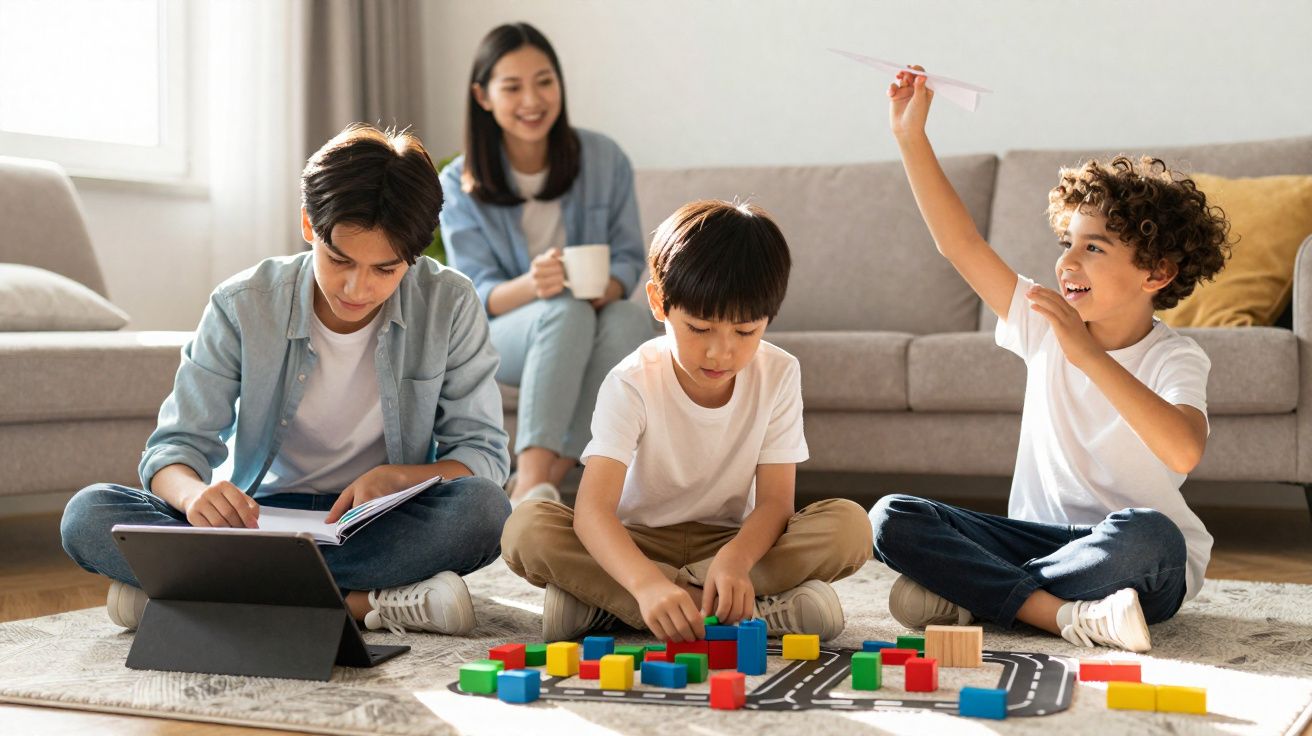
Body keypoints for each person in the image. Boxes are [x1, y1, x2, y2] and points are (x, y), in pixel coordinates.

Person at [61, 124, 512, 636]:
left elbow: (483, 458)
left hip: (377, 524)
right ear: (307, 224)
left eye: (384, 270)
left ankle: (198, 594)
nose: (357, 288)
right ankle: (360, 604)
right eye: (339, 259)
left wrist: (398, 478)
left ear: (413, 254)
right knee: (88, 514)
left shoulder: (449, 303)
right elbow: (173, 451)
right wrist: (194, 497)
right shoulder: (242, 304)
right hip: (255, 525)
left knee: (484, 512)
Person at [869, 67, 1231, 651]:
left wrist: (1087, 355)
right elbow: (960, 243)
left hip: (1129, 558)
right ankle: (1058, 614)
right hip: (1033, 540)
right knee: (891, 516)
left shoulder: (1175, 357)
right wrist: (910, 136)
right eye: (1068, 243)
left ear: (1156, 273)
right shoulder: (1041, 320)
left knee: (1152, 536)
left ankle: (977, 595)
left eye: (1094, 248)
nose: (1068, 263)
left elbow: (1183, 448)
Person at [501, 200, 872, 642]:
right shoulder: (631, 381)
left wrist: (734, 562)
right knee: (526, 528)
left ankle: (612, 607)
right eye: (699, 329)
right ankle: (734, 609)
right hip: (637, 542)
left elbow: (775, 503)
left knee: (850, 525)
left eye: (745, 331)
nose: (721, 352)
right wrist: (645, 582)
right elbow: (593, 513)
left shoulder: (780, 373)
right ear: (659, 303)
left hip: (730, 542)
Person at [440, 22, 654, 506]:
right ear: (483, 96)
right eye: (512, 87)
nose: (532, 100)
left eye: (544, 81)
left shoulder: (604, 158)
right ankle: (536, 470)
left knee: (630, 318)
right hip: (507, 331)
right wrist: (533, 285)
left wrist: (612, 288)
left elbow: (627, 255)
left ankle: (539, 484)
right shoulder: (458, 182)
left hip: (593, 314)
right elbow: (473, 292)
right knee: (564, 310)